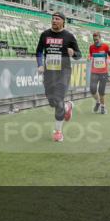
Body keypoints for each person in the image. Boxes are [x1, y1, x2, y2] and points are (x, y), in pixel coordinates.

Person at [35, 13, 81, 142]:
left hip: (63, 73)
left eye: (57, 19)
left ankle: (58, 132)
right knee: (52, 103)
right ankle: (67, 107)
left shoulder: (69, 36)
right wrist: (39, 65)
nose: (54, 21)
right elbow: (38, 51)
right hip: (49, 73)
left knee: (58, 99)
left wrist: (74, 53)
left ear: (63, 22)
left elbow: (79, 55)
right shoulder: (44, 35)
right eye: (53, 19)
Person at [88, 32, 110, 114]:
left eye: (97, 39)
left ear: (100, 38)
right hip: (94, 72)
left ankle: (103, 107)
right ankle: (98, 102)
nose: (95, 41)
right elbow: (90, 55)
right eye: (94, 40)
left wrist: (109, 60)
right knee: (92, 90)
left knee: (101, 91)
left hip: (103, 72)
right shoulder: (91, 47)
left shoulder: (106, 46)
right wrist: (89, 58)